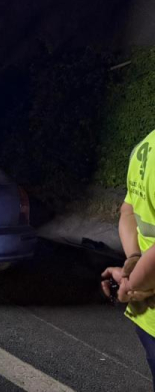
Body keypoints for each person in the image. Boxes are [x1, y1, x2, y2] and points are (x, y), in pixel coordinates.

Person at [102, 129, 155, 384]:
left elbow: (128, 212)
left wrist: (132, 264)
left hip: (147, 316)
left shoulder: (144, 147)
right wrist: (131, 286)